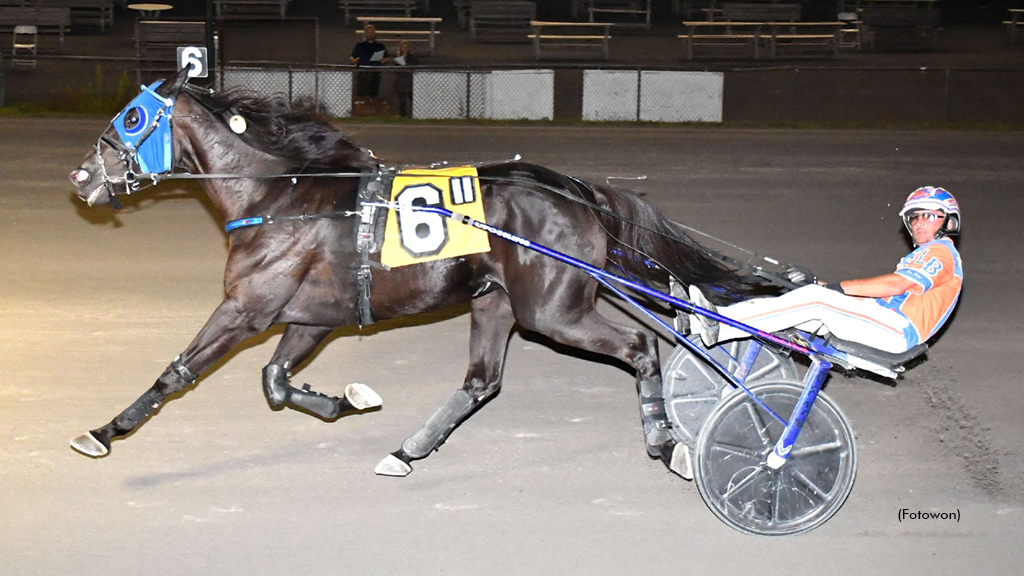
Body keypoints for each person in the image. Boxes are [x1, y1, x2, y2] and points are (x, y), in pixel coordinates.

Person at [689, 187, 963, 354]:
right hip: (884, 321)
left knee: (815, 301)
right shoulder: (924, 256)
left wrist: (830, 291)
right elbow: (871, 299)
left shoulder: (941, 252)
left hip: (898, 331)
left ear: (948, 222)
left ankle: (720, 326)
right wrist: (818, 284)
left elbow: (893, 287)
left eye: (928, 215)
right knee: (789, 304)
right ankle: (695, 322)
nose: (918, 223)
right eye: (914, 217)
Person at [351, 24, 388, 98]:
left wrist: (384, 60)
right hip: (363, 74)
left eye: (372, 32)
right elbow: (352, 57)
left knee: (374, 95)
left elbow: (386, 58)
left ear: (375, 33)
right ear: (365, 33)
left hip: (375, 74)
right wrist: (354, 61)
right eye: (368, 32)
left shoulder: (380, 46)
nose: (370, 33)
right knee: (362, 96)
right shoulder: (360, 45)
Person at [393, 40, 417, 118]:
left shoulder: (412, 57)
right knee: (402, 99)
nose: (405, 49)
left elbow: (415, 65)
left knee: (411, 98)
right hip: (401, 80)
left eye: (406, 47)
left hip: (409, 79)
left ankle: (414, 114)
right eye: (403, 47)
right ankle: (403, 114)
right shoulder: (398, 58)